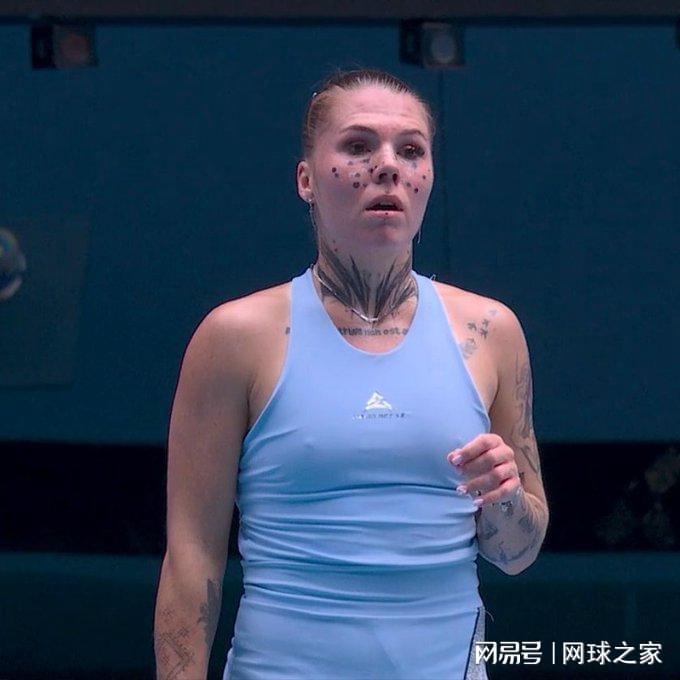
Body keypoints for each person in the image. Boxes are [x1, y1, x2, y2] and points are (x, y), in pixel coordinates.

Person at [154, 68, 549, 680]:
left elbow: (517, 553)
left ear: (429, 177)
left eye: (411, 150)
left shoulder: (492, 332)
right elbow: (191, 560)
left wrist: (502, 499)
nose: (387, 166)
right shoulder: (234, 337)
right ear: (306, 180)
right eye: (359, 146)